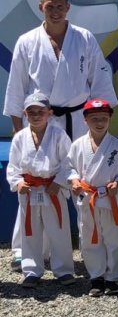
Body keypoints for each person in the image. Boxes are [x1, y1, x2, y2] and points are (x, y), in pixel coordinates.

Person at [4, 0, 117, 140]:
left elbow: (100, 82)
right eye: (49, 7)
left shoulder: (84, 38)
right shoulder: (26, 41)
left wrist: (101, 123)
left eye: (60, 7)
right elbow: (16, 87)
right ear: (41, 7)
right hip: (40, 121)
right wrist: (17, 129)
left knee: (79, 156)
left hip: (78, 122)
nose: (55, 12)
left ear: (67, 7)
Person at [6, 92, 74, 287]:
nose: (36, 115)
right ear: (25, 114)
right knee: (30, 232)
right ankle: (32, 270)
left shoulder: (59, 134)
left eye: (41, 111)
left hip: (52, 189)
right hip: (29, 190)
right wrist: (18, 182)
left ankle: (63, 270)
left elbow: (69, 163)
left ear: (49, 113)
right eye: (31, 112)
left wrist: (59, 182)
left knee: (59, 229)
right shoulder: (20, 137)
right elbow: (13, 166)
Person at [66, 99, 118, 297]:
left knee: (114, 238)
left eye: (104, 118)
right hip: (88, 199)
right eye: (94, 119)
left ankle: (112, 278)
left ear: (110, 119)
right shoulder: (77, 145)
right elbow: (69, 167)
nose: (100, 123)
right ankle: (96, 277)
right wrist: (74, 180)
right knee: (89, 237)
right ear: (85, 120)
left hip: (110, 199)